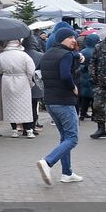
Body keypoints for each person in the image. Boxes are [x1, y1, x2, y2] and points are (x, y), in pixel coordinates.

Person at [36, 26, 83, 186]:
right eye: (71, 37)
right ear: (63, 38)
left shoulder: (47, 54)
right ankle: (47, 162)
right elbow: (65, 74)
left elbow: (38, 74)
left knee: (65, 137)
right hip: (64, 100)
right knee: (73, 138)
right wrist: (73, 87)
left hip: (50, 101)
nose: (74, 40)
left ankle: (67, 173)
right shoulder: (66, 55)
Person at [0, 39, 37, 138]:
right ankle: (29, 130)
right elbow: (31, 71)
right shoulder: (24, 55)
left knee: (10, 106)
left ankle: (14, 130)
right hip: (22, 80)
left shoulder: (1, 55)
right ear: (18, 44)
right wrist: (31, 83)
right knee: (25, 106)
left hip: (7, 80)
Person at [77, 34, 98, 121]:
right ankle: (94, 115)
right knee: (94, 98)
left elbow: (79, 64)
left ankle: (82, 114)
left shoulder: (83, 52)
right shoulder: (97, 51)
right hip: (94, 76)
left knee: (85, 97)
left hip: (84, 76)